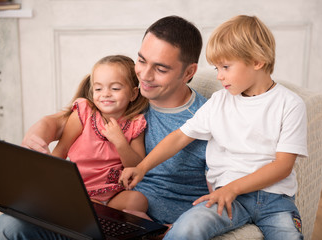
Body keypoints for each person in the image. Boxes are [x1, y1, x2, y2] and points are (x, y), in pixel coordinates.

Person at [0, 15, 209, 239]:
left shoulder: (208, 118)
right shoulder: (123, 99)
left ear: (189, 72)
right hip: (97, 214)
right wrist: (36, 134)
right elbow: (58, 122)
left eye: (160, 69)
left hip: (151, 226)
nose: (145, 75)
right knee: (7, 225)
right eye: (142, 61)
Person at [120, 15, 308, 240]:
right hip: (227, 198)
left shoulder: (290, 104)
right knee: (187, 227)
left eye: (225, 67)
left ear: (258, 61)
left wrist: (233, 188)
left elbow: (282, 167)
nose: (219, 76)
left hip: (275, 200)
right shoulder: (219, 102)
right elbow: (178, 138)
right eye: (217, 67)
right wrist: (142, 168)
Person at [52, 55, 148, 211]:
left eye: (115, 88)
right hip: (79, 190)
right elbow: (61, 150)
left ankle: (104, 220)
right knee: (91, 208)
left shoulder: (135, 123)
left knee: (138, 201)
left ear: (133, 93)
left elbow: (136, 166)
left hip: (114, 195)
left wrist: (120, 142)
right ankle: (101, 219)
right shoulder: (84, 113)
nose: (105, 94)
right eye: (98, 88)